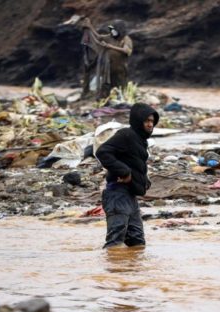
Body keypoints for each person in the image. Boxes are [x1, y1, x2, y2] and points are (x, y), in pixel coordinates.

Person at [95, 103, 159, 249]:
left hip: (130, 196)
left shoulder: (140, 139)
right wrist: (124, 172)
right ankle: (113, 270)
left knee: (137, 243)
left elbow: (133, 162)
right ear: (138, 120)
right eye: (146, 121)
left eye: (152, 121)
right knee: (115, 242)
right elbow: (103, 152)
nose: (150, 124)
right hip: (117, 194)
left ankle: (132, 271)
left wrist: (143, 180)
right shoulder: (126, 135)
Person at [80, 18, 133, 99]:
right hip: (108, 71)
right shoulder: (110, 37)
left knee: (120, 91)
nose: (113, 31)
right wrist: (90, 27)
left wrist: (110, 46)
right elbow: (98, 37)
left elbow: (126, 50)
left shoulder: (126, 39)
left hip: (120, 71)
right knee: (106, 91)